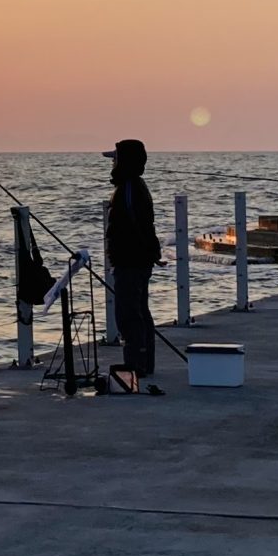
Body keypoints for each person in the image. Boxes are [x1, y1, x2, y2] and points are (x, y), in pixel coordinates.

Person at [104, 137, 163, 393]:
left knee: (129, 314)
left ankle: (135, 366)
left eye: (115, 157)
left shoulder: (129, 189)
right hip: (136, 261)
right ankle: (143, 363)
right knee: (139, 311)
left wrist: (145, 253)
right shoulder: (132, 186)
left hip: (131, 262)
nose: (113, 162)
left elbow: (139, 227)